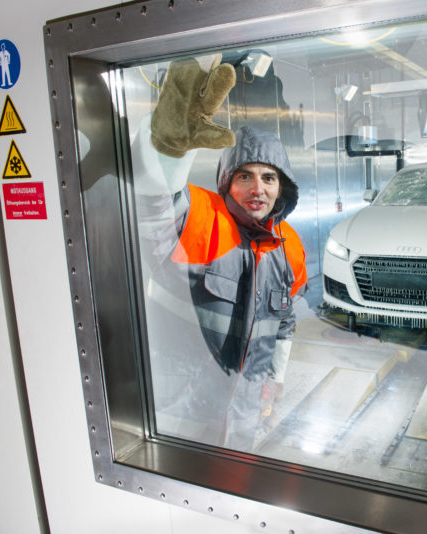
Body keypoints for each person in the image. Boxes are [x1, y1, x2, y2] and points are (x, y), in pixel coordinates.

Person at [132, 56, 307, 451]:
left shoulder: (288, 245)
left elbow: (285, 321)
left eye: (269, 177)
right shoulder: (202, 218)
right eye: (244, 176)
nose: (257, 188)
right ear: (227, 181)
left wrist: (275, 380)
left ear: (283, 187)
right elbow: (154, 206)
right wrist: (169, 148)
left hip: (244, 414)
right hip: (178, 416)